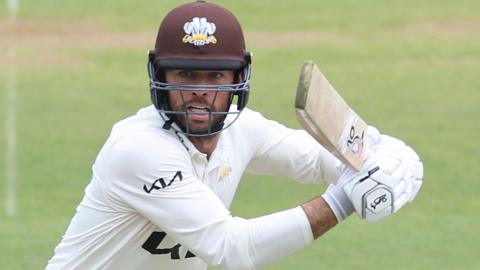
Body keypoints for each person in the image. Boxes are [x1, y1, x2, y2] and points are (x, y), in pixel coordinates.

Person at [46, 1, 423, 269]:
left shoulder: (241, 129)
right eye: (185, 74)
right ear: (159, 76)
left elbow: (321, 159)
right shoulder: (138, 150)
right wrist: (342, 201)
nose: (200, 91)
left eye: (215, 76)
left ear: (237, 78)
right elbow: (232, 249)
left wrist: (379, 154)